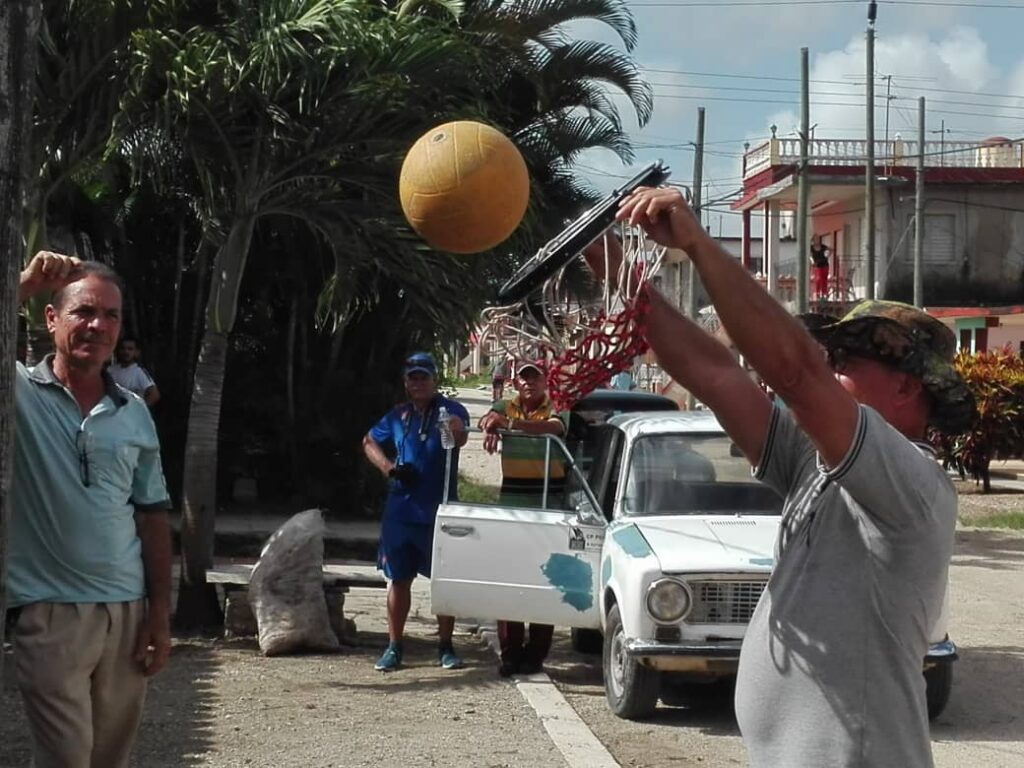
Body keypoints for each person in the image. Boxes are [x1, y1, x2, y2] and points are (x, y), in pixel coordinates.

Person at [585, 187, 975, 768]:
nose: (830, 371)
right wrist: (609, 261)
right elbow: (716, 374)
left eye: (846, 364)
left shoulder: (911, 482)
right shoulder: (818, 465)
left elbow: (795, 371)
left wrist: (697, 243)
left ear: (905, 386)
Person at [10, 251, 174, 768]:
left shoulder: (133, 415)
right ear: (51, 318)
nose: (98, 325)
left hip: (126, 613)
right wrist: (24, 284)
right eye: (83, 311)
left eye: (110, 315)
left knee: (108, 759)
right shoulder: (16, 392)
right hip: (48, 610)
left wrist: (160, 615)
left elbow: (152, 517)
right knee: (66, 758)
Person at [363, 351, 470, 672]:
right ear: (406, 382)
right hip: (401, 510)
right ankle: (394, 646)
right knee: (398, 579)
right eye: (413, 377)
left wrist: (452, 429)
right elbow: (368, 440)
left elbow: (459, 438)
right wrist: (389, 468)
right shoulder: (398, 415)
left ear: (435, 378)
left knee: (443, 581)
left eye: (424, 376)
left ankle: (446, 646)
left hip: (439, 510)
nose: (419, 382)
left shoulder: (451, 410)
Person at [478, 360, 568, 676]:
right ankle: (510, 654)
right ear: (517, 382)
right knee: (510, 579)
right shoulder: (506, 404)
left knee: (546, 579)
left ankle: (535, 656)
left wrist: (509, 426)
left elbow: (554, 427)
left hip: (549, 505)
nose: (529, 383)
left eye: (535, 377)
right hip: (512, 504)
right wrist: (491, 425)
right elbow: (487, 419)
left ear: (546, 382)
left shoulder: (556, 405)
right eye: (524, 378)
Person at [108, 334, 160, 407]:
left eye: (130, 349)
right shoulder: (110, 370)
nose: (126, 352)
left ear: (136, 352)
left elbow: (154, 395)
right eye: (123, 348)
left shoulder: (139, 372)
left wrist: (139, 410)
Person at [810, 234, 831, 300]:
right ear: (813, 240)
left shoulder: (823, 246)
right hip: (817, 265)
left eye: (818, 238)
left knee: (824, 279)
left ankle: (824, 294)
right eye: (816, 239)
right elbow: (809, 255)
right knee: (818, 279)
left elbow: (830, 249)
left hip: (825, 265)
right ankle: (817, 294)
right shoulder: (811, 248)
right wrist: (812, 261)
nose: (817, 240)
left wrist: (828, 255)